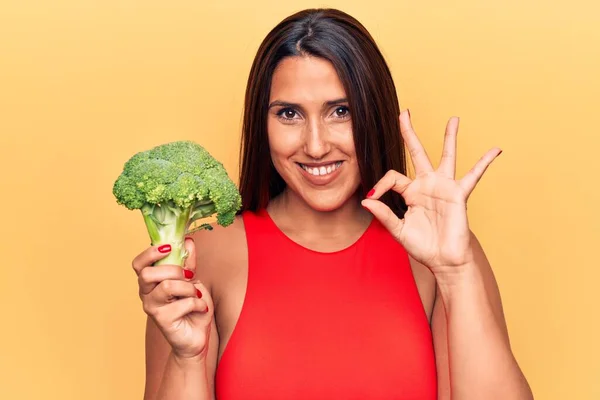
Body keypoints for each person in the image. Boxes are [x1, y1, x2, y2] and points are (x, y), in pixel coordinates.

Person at [130, 8, 534, 400]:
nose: (317, 145)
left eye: (341, 111)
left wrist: (456, 274)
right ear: (262, 123)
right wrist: (187, 359)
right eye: (289, 114)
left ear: (373, 114)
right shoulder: (206, 254)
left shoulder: (440, 252)